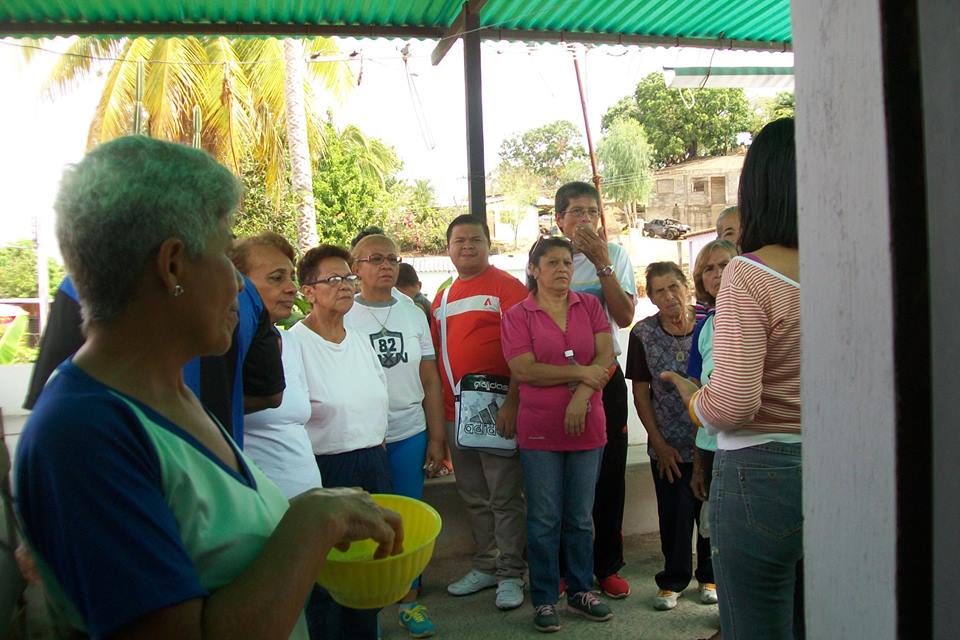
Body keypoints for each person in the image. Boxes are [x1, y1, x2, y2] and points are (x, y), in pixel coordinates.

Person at [13, 135, 402, 640]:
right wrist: (314, 521)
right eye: (225, 253)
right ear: (172, 265)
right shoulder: (86, 433)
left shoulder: (171, 397)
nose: (241, 285)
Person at [664, 118, 802, 640]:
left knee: (756, 625)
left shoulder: (751, 272)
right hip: (839, 467)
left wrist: (696, 401)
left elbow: (735, 402)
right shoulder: (852, 264)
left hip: (761, 472)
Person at [23, 271, 284, 448]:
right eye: (219, 246)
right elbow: (269, 393)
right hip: (217, 474)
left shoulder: (81, 283)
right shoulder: (247, 294)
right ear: (171, 258)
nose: (237, 279)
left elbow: (46, 402)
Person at [501, 236, 615, 632]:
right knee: (545, 518)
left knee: (581, 517)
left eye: (567, 262)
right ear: (534, 269)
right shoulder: (519, 315)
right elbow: (525, 369)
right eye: (551, 263)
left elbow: (606, 357)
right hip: (539, 432)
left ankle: (583, 590)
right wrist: (579, 372)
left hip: (588, 424)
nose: (562, 269)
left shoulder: (591, 305)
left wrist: (582, 396)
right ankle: (546, 599)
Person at [345, 234, 445, 638]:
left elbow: (429, 377)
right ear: (356, 267)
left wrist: (436, 437)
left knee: (408, 520)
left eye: (391, 258)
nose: (385, 265)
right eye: (374, 259)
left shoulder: (412, 312)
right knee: (359, 521)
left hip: (409, 432)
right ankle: (361, 609)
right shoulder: (344, 313)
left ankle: (410, 601)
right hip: (361, 438)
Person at [291, 244, 392, 639]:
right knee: (329, 581)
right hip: (326, 470)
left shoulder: (360, 338)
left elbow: (377, 399)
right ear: (308, 291)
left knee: (369, 576)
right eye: (332, 279)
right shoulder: (293, 345)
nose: (345, 285)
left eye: (348, 277)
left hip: (373, 463)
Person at [431, 215, 528, 611]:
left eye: (475, 239)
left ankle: (511, 573)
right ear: (449, 248)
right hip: (457, 413)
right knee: (473, 494)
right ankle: (486, 565)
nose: (467, 246)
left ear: (489, 245)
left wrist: (512, 403)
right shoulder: (444, 294)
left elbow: (526, 351)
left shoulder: (509, 288)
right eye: (458, 240)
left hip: (496, 408)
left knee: (504, 494)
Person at [553, 181, 637, 599]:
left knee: (608, 477)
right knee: (566, 479)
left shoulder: (616, 255)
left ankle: (606, 565)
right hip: (559, 384)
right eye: (576, 212)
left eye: (591, 211)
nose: (585, 219)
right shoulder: (551, 262)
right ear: (559, 220)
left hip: (605, 380)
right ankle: (569, 567)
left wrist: (602, 262)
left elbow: (623, 316)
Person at [625, 262, 713, 611]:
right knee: (674, 516)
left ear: (686, 286)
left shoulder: (709, 325)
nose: (669, 295)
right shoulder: (642, 334)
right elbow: (641, 393)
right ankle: (673, 580)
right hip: (668, 445)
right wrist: (658, 443)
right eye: (659, 290)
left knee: (709, 514)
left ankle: (710, 577)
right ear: (651, 296)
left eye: (673, 286)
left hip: (710, 440)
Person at [229, 232, 323, 499]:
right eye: (276, 278)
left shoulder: (289, 342)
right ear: (236, 284)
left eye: (291, 276)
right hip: (259, 510)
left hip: (306, 504)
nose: (291, 288)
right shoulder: (222, 352)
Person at [685, 239, 739, 640]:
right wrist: (700, 464)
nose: (717, 274)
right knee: (718, 536)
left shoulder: (754, 313)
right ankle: (732, 618)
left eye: (725, 265)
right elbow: (698, 393)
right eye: (709, 268)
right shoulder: (706, 325)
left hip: (751, 447)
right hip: (713, 447)